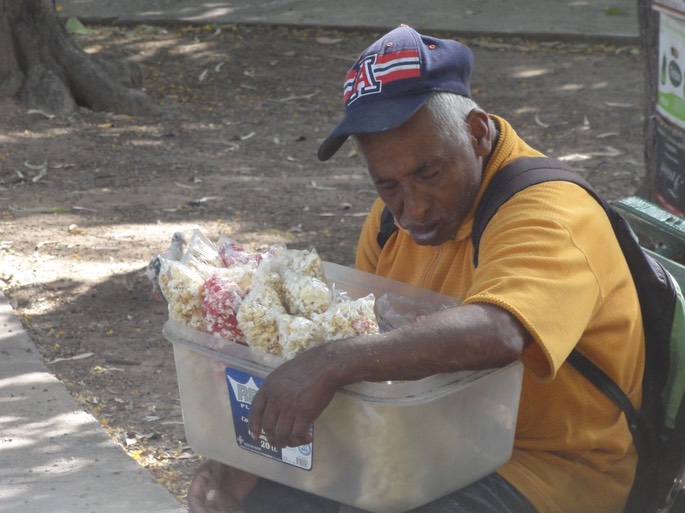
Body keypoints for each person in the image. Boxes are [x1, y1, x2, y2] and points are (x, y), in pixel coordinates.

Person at [188, 25, 643, 513]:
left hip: (548, 468)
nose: (415, 209)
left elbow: (499, 331)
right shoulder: (389, 222)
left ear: (477, 134)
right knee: (254, 496)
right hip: (423, 442)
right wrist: (254, 459)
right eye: (389, 184)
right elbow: (364, 354)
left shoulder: (549, 211)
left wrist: (332, 361)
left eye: (428, 174)